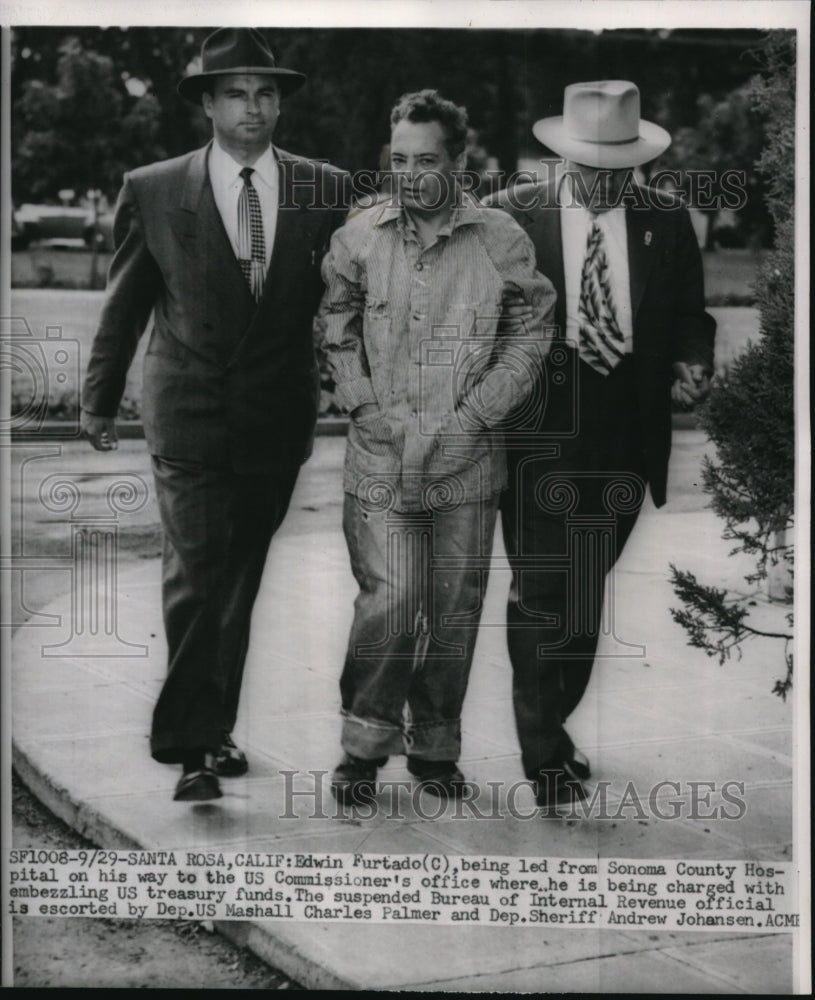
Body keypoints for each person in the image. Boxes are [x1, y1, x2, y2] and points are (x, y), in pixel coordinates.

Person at [81, 28, 349, 802]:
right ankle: (192, 745)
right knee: (198, 578)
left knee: (238, 581)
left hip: (276, 417)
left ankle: (214, 726)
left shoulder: (322, 188)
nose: (254, 108)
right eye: (236, 92)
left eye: (266, 93)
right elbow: (126, 301)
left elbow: (353, 295)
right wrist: (100, 397)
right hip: (188, 415)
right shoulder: (154, 187)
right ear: (206, 103)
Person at [319, 89, 556, 806]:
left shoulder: (500, 238)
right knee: (390, 601)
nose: (411, 174)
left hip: (466, 459)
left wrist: (477, 414)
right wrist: (361, 401)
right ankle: (363, 744)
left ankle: (434, 749)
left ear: (459, 161)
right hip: (380, 455)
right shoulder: (358, 236)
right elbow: (335, 322)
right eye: (398, 160)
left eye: (427, 160)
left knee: (452, 608)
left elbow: (532, 330)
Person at [486, 80, 716, 810]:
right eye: (586, 164)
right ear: (560, 156)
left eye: (616, 166)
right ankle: (543, 752)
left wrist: (691, 363)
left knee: (583, 595)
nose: (601, 180)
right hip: (538, 431)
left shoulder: (663, 219)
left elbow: (687, 313)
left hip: (624, 431)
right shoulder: (507, 217)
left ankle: (551, 725)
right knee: (540, 592)